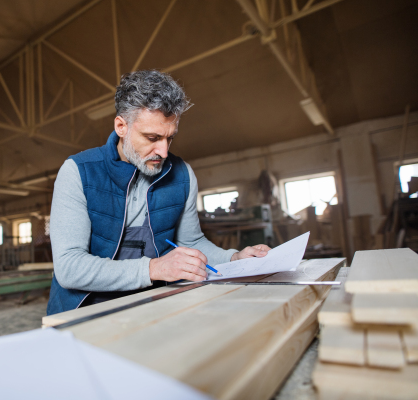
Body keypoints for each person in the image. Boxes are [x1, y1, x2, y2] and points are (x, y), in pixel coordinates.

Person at [47, 70, 271, 315]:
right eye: (152, 138)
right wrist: (154, 269)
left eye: (169, 138)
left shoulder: (182, 174)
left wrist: (234, 259)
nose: (163, 152)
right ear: (121, 126)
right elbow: (69, 268)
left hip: (156, 301)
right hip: (85, 309)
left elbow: (192, 242)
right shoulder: (79, 172)